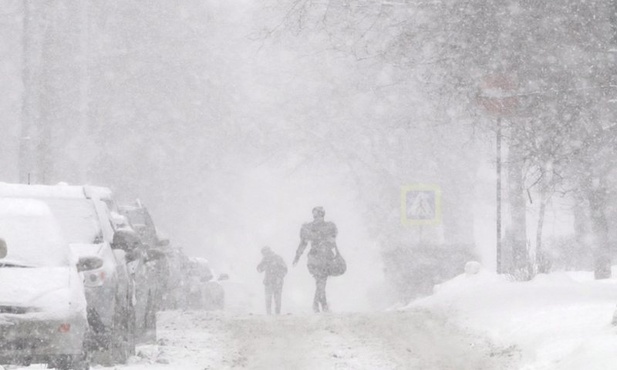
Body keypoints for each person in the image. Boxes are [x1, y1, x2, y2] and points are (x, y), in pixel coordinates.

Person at [293, 206, 337, 313]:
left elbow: (303, 243)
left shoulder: (309, 227)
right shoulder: (328, 227)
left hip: (317, 258)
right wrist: (297, 256)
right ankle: (319, 305)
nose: (316, 217)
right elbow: (332, 241)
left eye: (317, 215)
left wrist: (297, 257)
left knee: (320, 281)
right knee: (321, 281)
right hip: (321, 258)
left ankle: (321, 305)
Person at [257, 246, 288, 315]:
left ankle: (277, 314)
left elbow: (285, 269)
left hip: (277, 282)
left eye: (265, 253)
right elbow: (259, 269)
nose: (264, 255)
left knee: (277, 299)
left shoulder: (278, 258)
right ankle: (269, 314)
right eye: (263, 254)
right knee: (268, 299)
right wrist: (262, 266)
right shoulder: (265, 259)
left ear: (269, 252)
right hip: (268, 282)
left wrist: (279, 277)